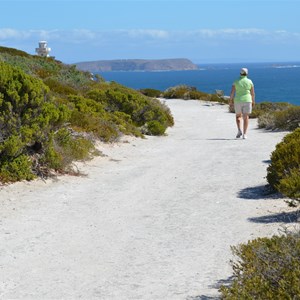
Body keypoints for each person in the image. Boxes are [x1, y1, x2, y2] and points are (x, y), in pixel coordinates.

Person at [229, 68, 255, 139]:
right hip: (247, 100)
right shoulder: (250, 81)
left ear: (240, 73)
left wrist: (230, 101)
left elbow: (232, 92)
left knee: (238, 116)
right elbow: (252, 93)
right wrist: (253, 101)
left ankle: (239, 130)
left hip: (238, 100)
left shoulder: (236, 81)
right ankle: (245, 134)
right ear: (247, 74)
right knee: (246, 117)